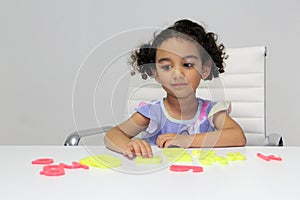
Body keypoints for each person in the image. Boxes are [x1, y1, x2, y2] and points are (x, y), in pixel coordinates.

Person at [104, 19, 246, 158]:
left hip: (202, 178)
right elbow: (112, 135)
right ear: (156, 74)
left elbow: (237, 136)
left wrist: (186, 140)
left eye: (188, 65)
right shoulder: (153, 113)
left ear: (205, 69)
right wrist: (128, 145)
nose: (177, 74)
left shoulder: (212, 111)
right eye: (166, 67)